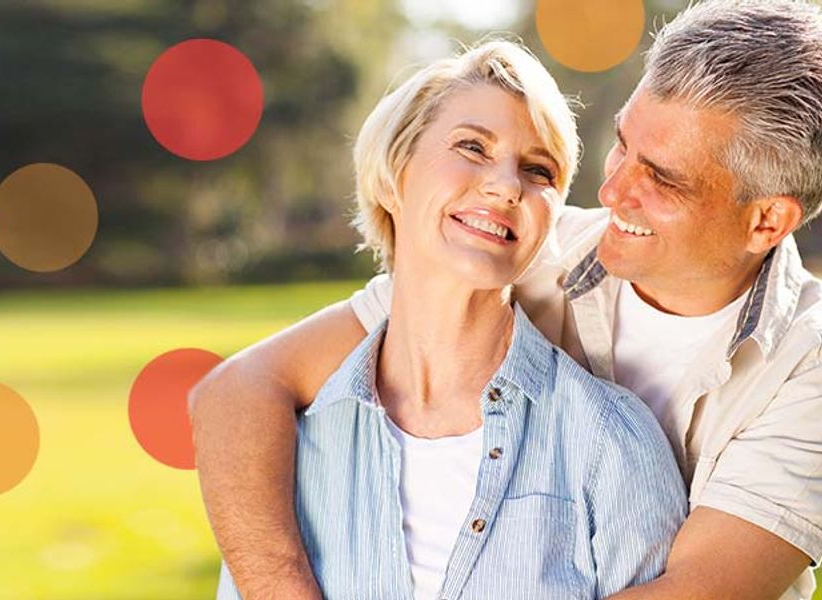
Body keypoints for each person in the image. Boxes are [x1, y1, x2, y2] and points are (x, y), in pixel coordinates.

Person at [190, 1, 822, 599]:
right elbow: (239, 389)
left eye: (662, 179)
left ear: (767, 221)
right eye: (623, 144)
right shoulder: (529, 247)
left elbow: (694, 591)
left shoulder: (807, 370)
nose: (610, 192)